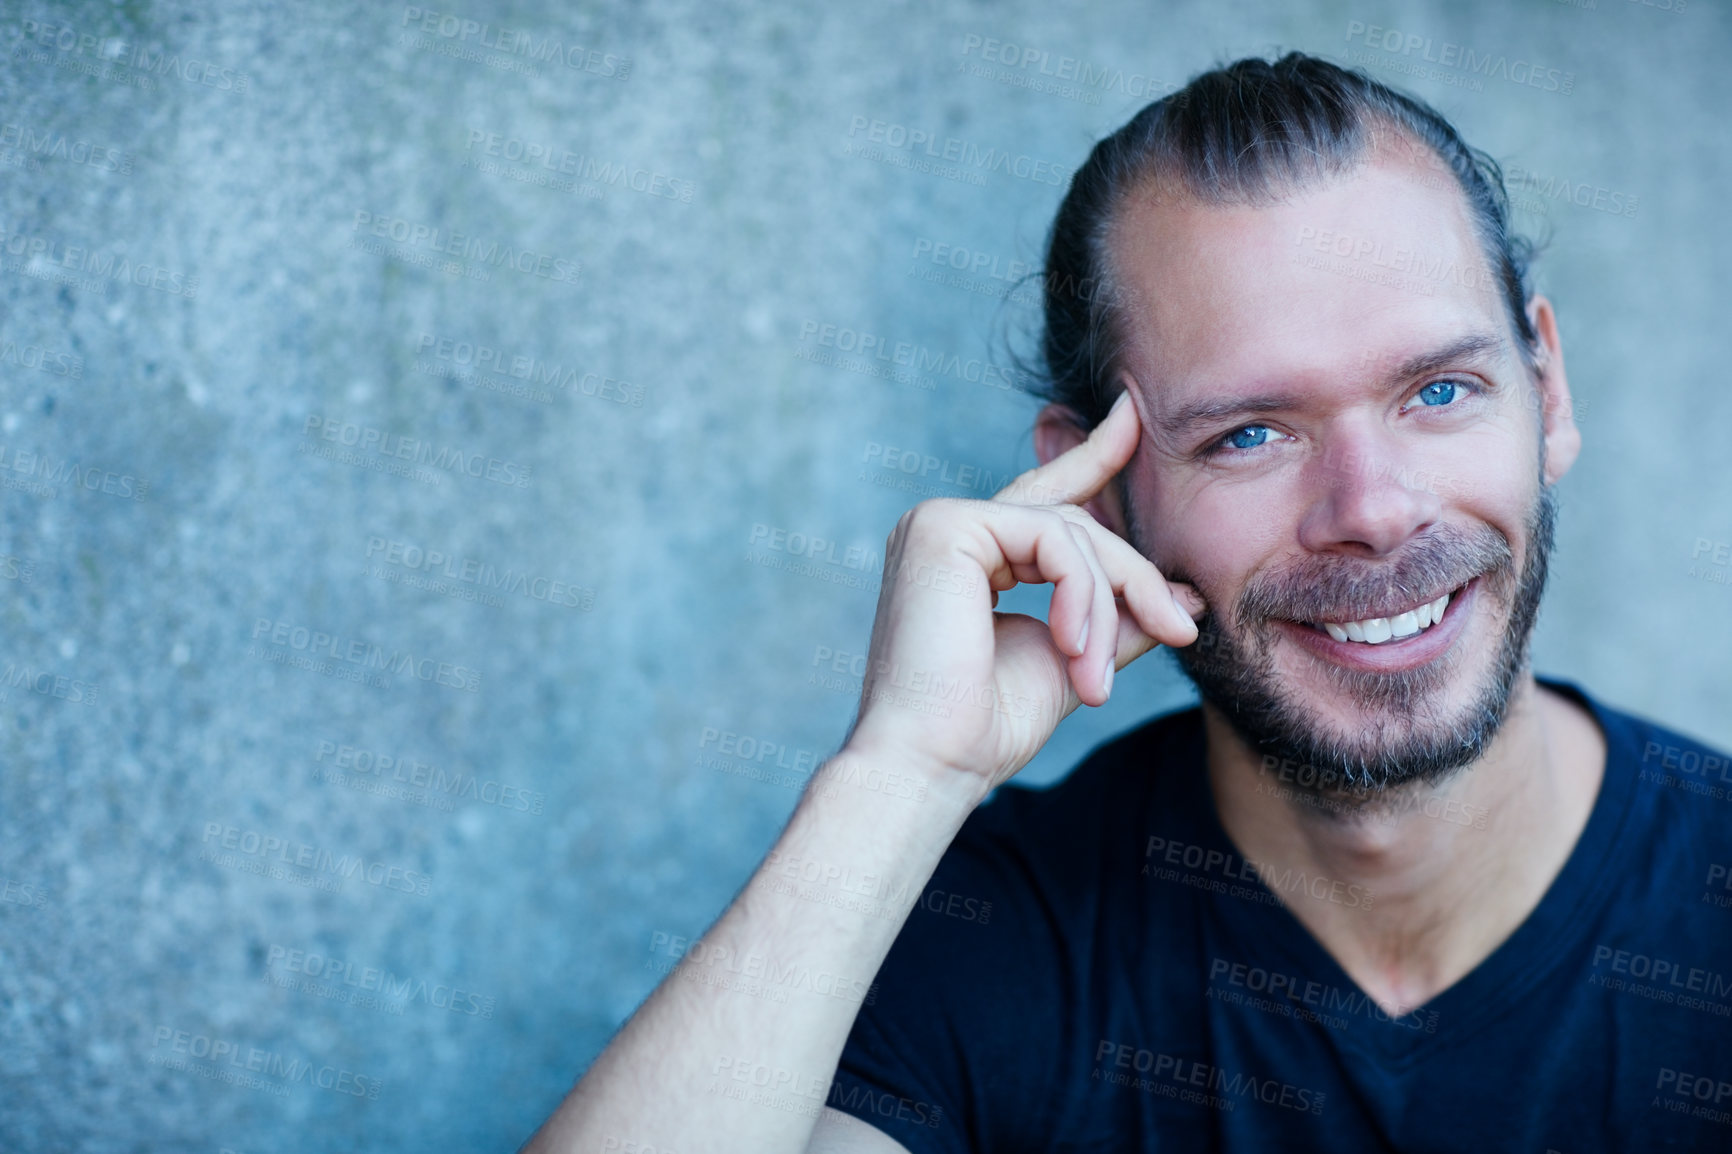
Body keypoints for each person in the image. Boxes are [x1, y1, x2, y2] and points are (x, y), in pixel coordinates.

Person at [525, 54, 1732, 1153]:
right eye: (1251, 431)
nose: (1373, 505)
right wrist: (902, 775)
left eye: (1440, 389)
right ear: (1100, 497)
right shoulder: (990, 932)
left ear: (1546, 388)